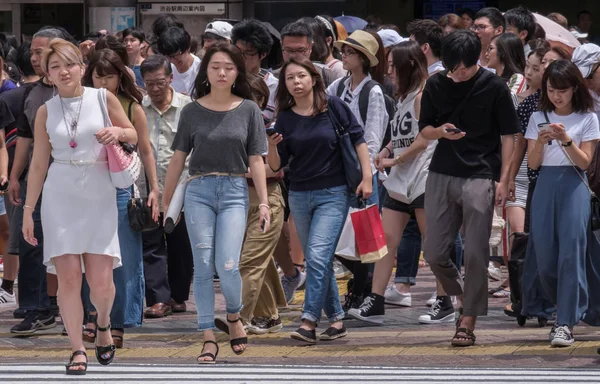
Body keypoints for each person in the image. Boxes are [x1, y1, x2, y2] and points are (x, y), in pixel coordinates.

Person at [22, 38, 138, 374]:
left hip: (99, 191)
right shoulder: (46, 110)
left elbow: (133, 134)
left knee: (101, 282)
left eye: (69, 64)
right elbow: (39, 163)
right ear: (47, 74)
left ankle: (102, 323)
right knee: (69, 278)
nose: (63, 71)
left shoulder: (103, 97)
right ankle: (76, 348)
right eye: (54, 67)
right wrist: (29, 211)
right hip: (60, 194)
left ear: (82, 67)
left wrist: (116, 132)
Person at [162, 43, 270, 363]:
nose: (222, 72)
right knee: (204, 265)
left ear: (237, 72)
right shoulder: (191, 111)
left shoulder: (249, 109)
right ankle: (208, 335)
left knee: (228, 265)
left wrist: (263, 202)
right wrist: (167, 205)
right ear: (205, 72)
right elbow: (178, 160)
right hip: (198, 191)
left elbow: (257, 158)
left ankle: (233, 316)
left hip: (236, 189)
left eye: (229, 67)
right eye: (215, 67)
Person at [419, 30, 519, 347]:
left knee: (476, 252)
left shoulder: (495, 87)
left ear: (477, 59)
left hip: (481, 174)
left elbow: (508, 136)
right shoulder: (436, 84)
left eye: (464, 67)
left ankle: (468, 320)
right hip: (441, 173)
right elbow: (425, 129)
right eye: (453, 67)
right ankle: (463, 296)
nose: (458, 73)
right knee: (434, 251)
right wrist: (440, 132)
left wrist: (505, 180)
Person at [267, 57, 372, 343]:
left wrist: (367, 178)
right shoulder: (286, 116)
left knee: (315, 257)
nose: (296, 82)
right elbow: (277, 165)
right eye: (290, 78)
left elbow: (359, 140)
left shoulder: (334, 107)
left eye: (301, 76)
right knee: (320, 260)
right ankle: (336, 321)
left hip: (334, 192)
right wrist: (271, 145)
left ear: (314, 79)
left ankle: (309, 320)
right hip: (299, 194)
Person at [348, 41, 435, 324]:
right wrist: (387, 151)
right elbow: (400, 135)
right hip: (400, 182)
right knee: (386, 242)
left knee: (433, 246)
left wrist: (393, 161)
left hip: (422, 178)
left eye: (393, 67)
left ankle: (446, 301)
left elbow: (424, 139)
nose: (389, 73)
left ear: (408, 66)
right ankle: (376, 300)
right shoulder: (403, 96)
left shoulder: (424, 95)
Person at [81, 48, 160, 348]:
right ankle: (93, 315)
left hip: (120, 188)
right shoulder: (80, 104)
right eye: (98, 76)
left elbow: (146, 149)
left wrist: (154, 189)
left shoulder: (131, 106)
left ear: (120, 76)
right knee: (91, 256)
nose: (103, 83)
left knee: (124, 258)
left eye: (109, 76)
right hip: (86, 188)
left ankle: (119, 322)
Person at [522, 59, 600, 347]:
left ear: (574, 89)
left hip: (574, 186)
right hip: (544, 185)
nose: (557, 96)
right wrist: (541, 142)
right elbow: (532, 162)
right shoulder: (537, 116)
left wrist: (566, 139)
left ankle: (564, 321)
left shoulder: (588, 117)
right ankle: (564, 308)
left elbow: (585, 162)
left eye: (563, 90)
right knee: (543, 255)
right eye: (552, 90)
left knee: (571, 253)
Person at [8, 27, 66, 334]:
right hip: (38, 181)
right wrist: (16, 177)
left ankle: (62, 305)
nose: (36, 57)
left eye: (42, 51)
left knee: (65, 246)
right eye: (33, 51)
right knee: (32, 243)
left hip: (72, 182)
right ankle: (34, 307)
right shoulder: (31, 94)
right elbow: (25, 140)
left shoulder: (79, 89)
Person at [326, 30, 388, 312]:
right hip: (337, 169)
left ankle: (362, 289)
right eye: (344, 51)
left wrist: (366, 175)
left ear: (363, 59)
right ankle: (359, 286)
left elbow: (373, 138)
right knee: (340, 235)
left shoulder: (373, 90)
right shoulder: (337, 87)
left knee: (363, 238)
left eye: (350, 52)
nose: (344, 55)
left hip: (362, 173)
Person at [139, 54, 194, 319]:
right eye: (149, 83)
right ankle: (158, 299)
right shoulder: (140, 107)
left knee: (180, 244)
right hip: (148, 186)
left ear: (170, 78)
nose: (155, 88)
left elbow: (194, 149)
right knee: (151, 243)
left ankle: (178, 296)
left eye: (160, 82)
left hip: (182, 187)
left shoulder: (188, 107)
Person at [0, 42, 40, 310]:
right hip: (24, 176)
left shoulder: (9, 96)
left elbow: (4, 144)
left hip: (21, 177)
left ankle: (13, 289)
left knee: (18, 236)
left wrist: (7, 175)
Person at [274, 20, 335, 87]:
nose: (294, 56)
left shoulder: (325, 75)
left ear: (311, 47)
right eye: (289, 50)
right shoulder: (272, 79)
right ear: (281, 45)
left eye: (300, 50)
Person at [157, 27, 201, 95]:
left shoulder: (200, 69)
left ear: (188, 48)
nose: (173, 60)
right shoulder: (166, 69)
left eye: (176, 54)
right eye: (169, 56)